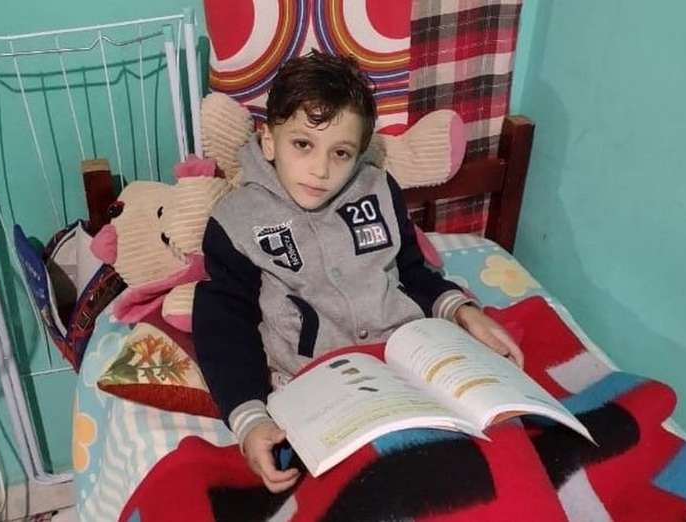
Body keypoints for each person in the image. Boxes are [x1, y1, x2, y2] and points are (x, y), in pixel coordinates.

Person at [193, 50, 523, 493]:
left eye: (341, 152)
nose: (321, 169)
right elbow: (224, 327)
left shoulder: (378, 190)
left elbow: (411, 270)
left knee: (499, 457)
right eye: (302, 145)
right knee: (372, 488)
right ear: (268, 141)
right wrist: (250, 418)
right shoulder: (235, 222)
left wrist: (462, 311)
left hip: (409, 362)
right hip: (319, 381)